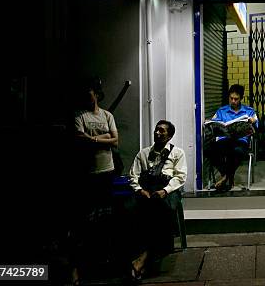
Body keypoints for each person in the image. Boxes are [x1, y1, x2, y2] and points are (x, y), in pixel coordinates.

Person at [69, 78, 119, 285]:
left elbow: (116, 140)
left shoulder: (107, 115)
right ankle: (84, 263)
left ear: (96, 95)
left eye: (90, 93)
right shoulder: (79, 115)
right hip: (87, 172)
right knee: (86, 217)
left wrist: (94, 139)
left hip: (107, 170)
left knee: (105, 214)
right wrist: (103, 137)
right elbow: (79, 139)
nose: (87, 97)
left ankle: (104, 258)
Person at [128, 120, 187, 281]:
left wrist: (165, 190)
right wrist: (140, 190)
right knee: (131, 211)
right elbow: (133, 175)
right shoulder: (144, 153)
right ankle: (141, 256)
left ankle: (143, 259)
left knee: (162, 213)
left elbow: (180, 177)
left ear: (170, 135)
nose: (157, 133)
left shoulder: (177, 153)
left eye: (162, 131)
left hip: (167, 191)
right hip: (147, 191)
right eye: (156, 130)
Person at [205, 84, 258, 191]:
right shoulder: (221, 111)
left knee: (236, 151)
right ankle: (227, 176)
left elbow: (256, 127)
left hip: (240, 141)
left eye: (236, 99)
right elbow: (214, 124)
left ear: (241, 98)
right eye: (231, 98)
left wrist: (253, 121)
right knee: (208, 150)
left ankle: (226, 178)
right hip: (224, 140)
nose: (233, 101)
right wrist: (209, 123)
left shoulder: (249, 111)